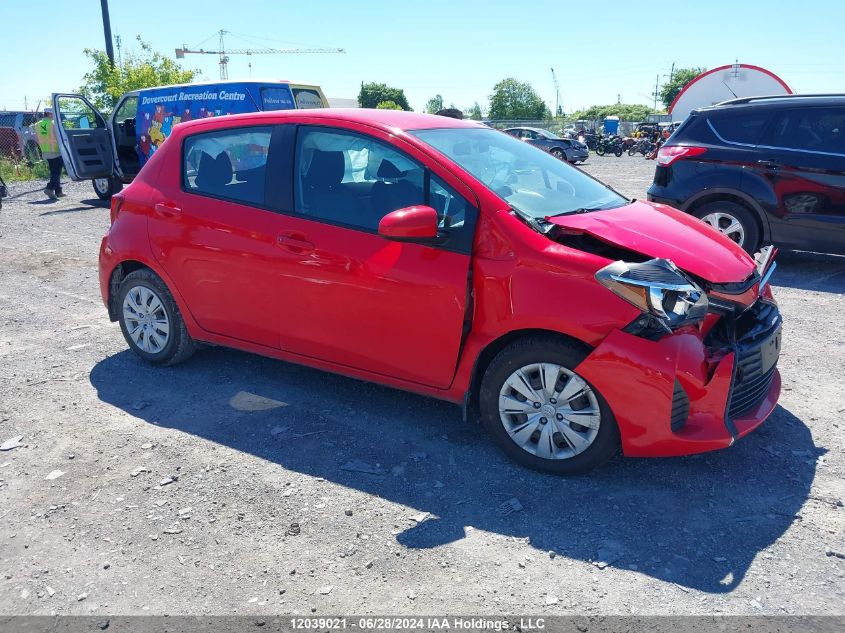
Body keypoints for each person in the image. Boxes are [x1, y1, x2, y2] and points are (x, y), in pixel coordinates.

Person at [34, 108, 64, 199]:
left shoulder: (37, 124)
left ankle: (58, 191)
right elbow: (59, 136)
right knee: (57, 171)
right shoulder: (53, 123)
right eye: (53, 114)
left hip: (45, 150)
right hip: (55, 150)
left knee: (53, 170)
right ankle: (49, 188)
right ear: (49, 114)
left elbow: (36, 137)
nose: (54, 116)